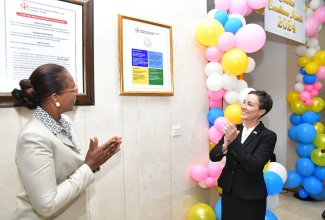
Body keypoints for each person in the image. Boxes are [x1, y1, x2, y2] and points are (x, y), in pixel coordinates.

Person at [11, 63, 122, 219]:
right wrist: (89, 166)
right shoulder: (33, 138)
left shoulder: (64, 121)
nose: (76, 93)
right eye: (73, 90)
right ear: (55, 97)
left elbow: (65, 171)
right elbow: (46, 205)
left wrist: (93, 162)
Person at [209, 90, 277, 220]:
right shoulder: (234, 129)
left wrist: (233, 141)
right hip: (229, 193)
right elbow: (214, 156)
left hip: (251, 197)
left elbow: (253, 165)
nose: (243, 106)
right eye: (244, 102)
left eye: (250, 104)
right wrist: (224, 146)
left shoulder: (268, 136)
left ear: (261, 111)